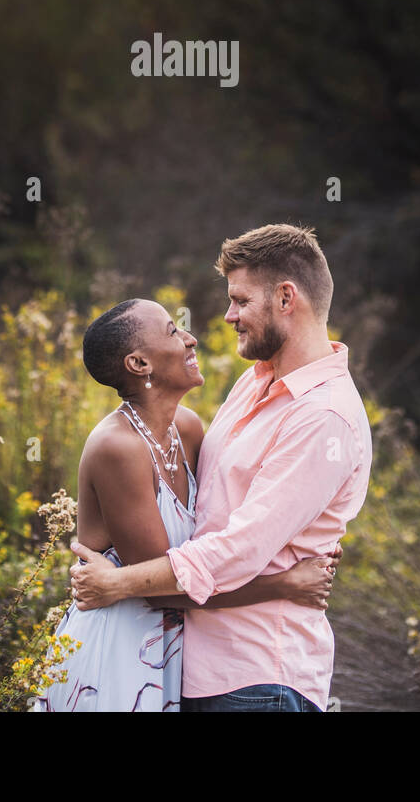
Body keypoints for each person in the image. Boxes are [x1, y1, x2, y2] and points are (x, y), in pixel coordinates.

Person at [71, 223, 372, 713]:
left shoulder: (323, 416)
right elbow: (205, 514)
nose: (227, 316)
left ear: (286, 299)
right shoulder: (251, 386)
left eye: (240, 300)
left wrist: (119, 584)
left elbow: (241, 548)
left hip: (260, 675)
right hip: (194, 668)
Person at [30, 293, 339, 711]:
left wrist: (308, 536)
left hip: (178, 649)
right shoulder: (117, 448)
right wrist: (283, 585)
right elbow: (164, 590)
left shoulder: (187, 428)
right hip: (122, 646)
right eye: (173, 331)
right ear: (139, 364)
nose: (190, 338)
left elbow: (229, 512)